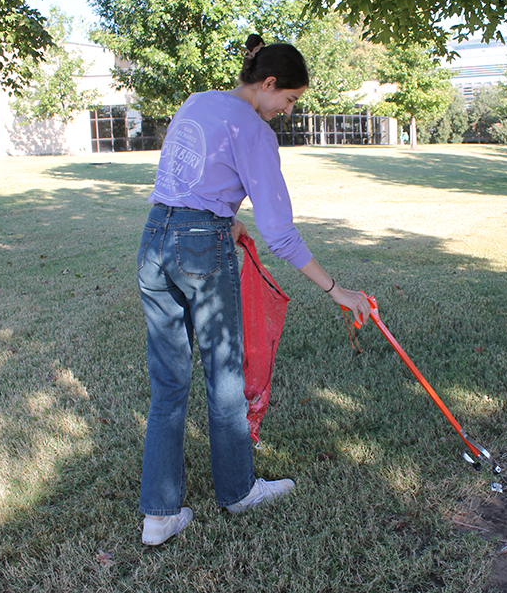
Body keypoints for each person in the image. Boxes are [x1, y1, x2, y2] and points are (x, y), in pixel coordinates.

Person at [136, 34, 372, 546]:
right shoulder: (256, 132)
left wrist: (228, 219)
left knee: (169, 384)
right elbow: (282, 234)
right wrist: (335, 289)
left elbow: (189, 180)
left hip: (154, 237)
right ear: (268, 83)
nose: (285, 111)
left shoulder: (197, 102)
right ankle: (238, 491)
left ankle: (158, 515)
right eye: (287, 100)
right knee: (225, 377)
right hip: (201, 248)